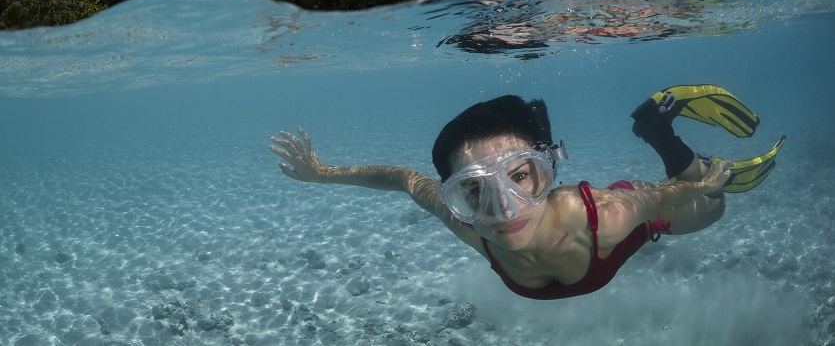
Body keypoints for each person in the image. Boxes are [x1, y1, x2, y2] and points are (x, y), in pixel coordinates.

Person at [268, 84, 782, 300]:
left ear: (549, 170)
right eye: (474, 190)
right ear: (458, 196)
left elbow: (661, 197)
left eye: (520, 175)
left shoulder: (608, 213)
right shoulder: (470, 227)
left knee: (712, 206)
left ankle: (662, 134)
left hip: (632, 213)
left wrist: (702, 183)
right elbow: (403, 178)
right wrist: (323, 172)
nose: (502, 209)